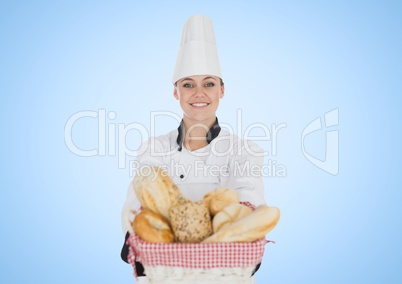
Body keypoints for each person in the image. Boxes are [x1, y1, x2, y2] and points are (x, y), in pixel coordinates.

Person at [121, 14, 266, 284]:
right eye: (188, 84)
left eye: (209, 84)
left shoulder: (245, 151)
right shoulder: (153, 150)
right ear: (176, 92)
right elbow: (135, 211)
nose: (199, 93)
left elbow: (249, 203)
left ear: (222, 90)